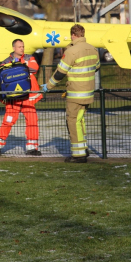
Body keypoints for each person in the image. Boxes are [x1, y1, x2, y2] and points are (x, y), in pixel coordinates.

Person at [43, 24, 99, 163]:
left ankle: (78, 155)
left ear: (73, 35)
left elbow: (60, 72)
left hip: (75, 93)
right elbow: (96, 67)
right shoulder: (93, 49)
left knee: (72, 122)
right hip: (89, 93)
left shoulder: (72, 51)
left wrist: (48, 86)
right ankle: (83, 148)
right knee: (80, 120)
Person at [0, 39, 43, 156]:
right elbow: (1, 76)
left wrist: (17, 66)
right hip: (13, 97)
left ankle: (32, 148)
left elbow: (34, 68)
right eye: (19, 47)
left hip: (28, 96)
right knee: (9, 121)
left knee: (32, 121)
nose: (22, 49)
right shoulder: (5, 62)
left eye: (23, 46)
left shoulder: (29, 58)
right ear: (14, 48)